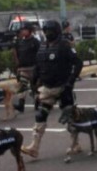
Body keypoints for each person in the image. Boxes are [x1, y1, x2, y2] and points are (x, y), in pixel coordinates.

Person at [21, 20, 82, 159]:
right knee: (40, 115)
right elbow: (38, 65)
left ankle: (75, 144)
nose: (48, 33)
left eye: (50, 31)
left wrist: (70, 82)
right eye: (46, 31)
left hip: (63, 87)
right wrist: (34, 82)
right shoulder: (42, 46)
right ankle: (34, 147)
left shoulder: (65, 45)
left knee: (69, 117)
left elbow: (78, 62)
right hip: (47, 87)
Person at [11, 21, 40, 114]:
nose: (23, 31)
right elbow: (17, 54)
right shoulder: (20, 42)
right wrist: (17, 66)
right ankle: (21, 105)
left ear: (30, 31)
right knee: (22, 86)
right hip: (23, 69)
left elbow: (40, 54)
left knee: (35, 88)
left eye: (25, 29)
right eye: (22, 30)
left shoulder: (35, 42)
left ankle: (37, 102)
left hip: (34, 68)